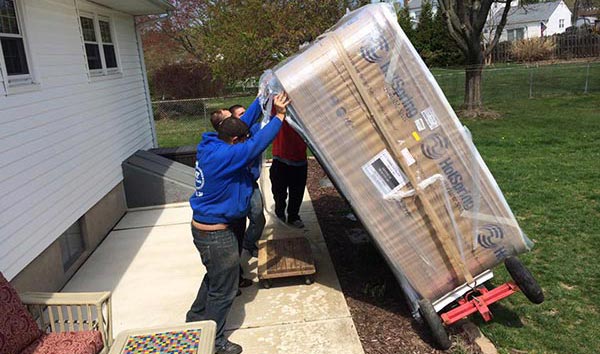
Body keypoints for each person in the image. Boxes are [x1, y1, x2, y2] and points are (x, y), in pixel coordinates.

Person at [188, 93, 290, 354]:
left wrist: (263, 97)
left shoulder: (211, 145)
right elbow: (257, 144)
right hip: (215, 235)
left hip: (208, 228)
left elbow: (244, 125)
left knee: (215, 277)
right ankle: (214, 340)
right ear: (234, 141)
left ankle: (195, 320)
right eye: (242, 139)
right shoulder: (226, 157)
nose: (245, 141)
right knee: (224, 290)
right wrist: (278, 116)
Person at [229, 103, 265, 257]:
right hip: (235, 186)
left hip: (250, 183)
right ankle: (235, 253)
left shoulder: (255, 130)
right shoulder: (231, 139)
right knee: (237, 223)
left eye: (246, 113)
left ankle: (249, 243)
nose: (246, 116)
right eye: (241, 114)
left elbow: (268, 125)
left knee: (258, 217)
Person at [270, 118, 308, 228]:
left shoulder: (304, 113)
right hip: (280, 158)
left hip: (299, 159)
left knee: (297, 192)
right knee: (278, 191)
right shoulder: (280, 110)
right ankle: (280, 212)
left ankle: (293, 216)